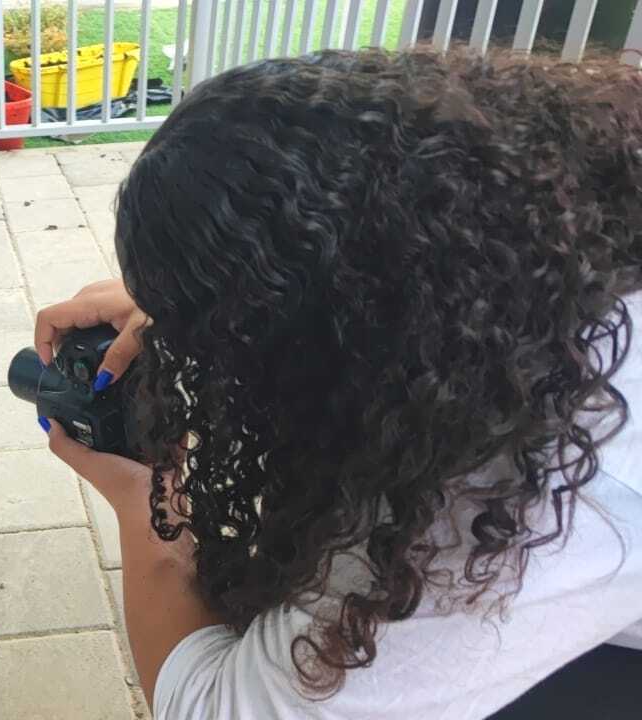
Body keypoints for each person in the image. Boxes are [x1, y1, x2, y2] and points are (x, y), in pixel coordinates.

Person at [35, 50, 642, 719]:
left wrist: (151, 513)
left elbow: (222, 710)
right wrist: (200, 304)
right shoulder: (567, 219)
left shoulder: (516, 490)